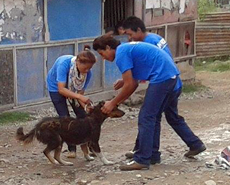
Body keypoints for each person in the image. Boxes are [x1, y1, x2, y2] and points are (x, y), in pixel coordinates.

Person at [93, 35, 206, 171]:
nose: (103, 58)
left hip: (162, 78)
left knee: (146, 117)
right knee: (154, 116)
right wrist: (122, 86)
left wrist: (113, 102)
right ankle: (152, 154)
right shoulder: (126, 48)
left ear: (108, 47)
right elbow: (135, 75)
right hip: (171, 76)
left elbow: (131, 85)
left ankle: (142, 159)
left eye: (102, 54)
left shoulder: (121, 52)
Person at [122, 16, 188, 161]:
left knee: (149, 116)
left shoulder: (147, 42)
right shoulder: (154, 37)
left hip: (166, 83)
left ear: (138, 30)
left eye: (130, 34)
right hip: (171, 82)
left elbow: (157, 65)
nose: (129, 39)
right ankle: (194, 144)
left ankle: (145, 154)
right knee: (159, 116)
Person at [47, 45, 96, 158]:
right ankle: (71, 149)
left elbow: (80, 94)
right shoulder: (63, 64)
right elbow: (61, 89)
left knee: (83, 116)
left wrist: (85, 107)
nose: (87, 71)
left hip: (72, 89)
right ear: (78, 62)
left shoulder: (87, 74)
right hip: (56, 87)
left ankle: (90, 147)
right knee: (65, 118)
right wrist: (80, 97)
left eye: (89, 68)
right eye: (85, 68)